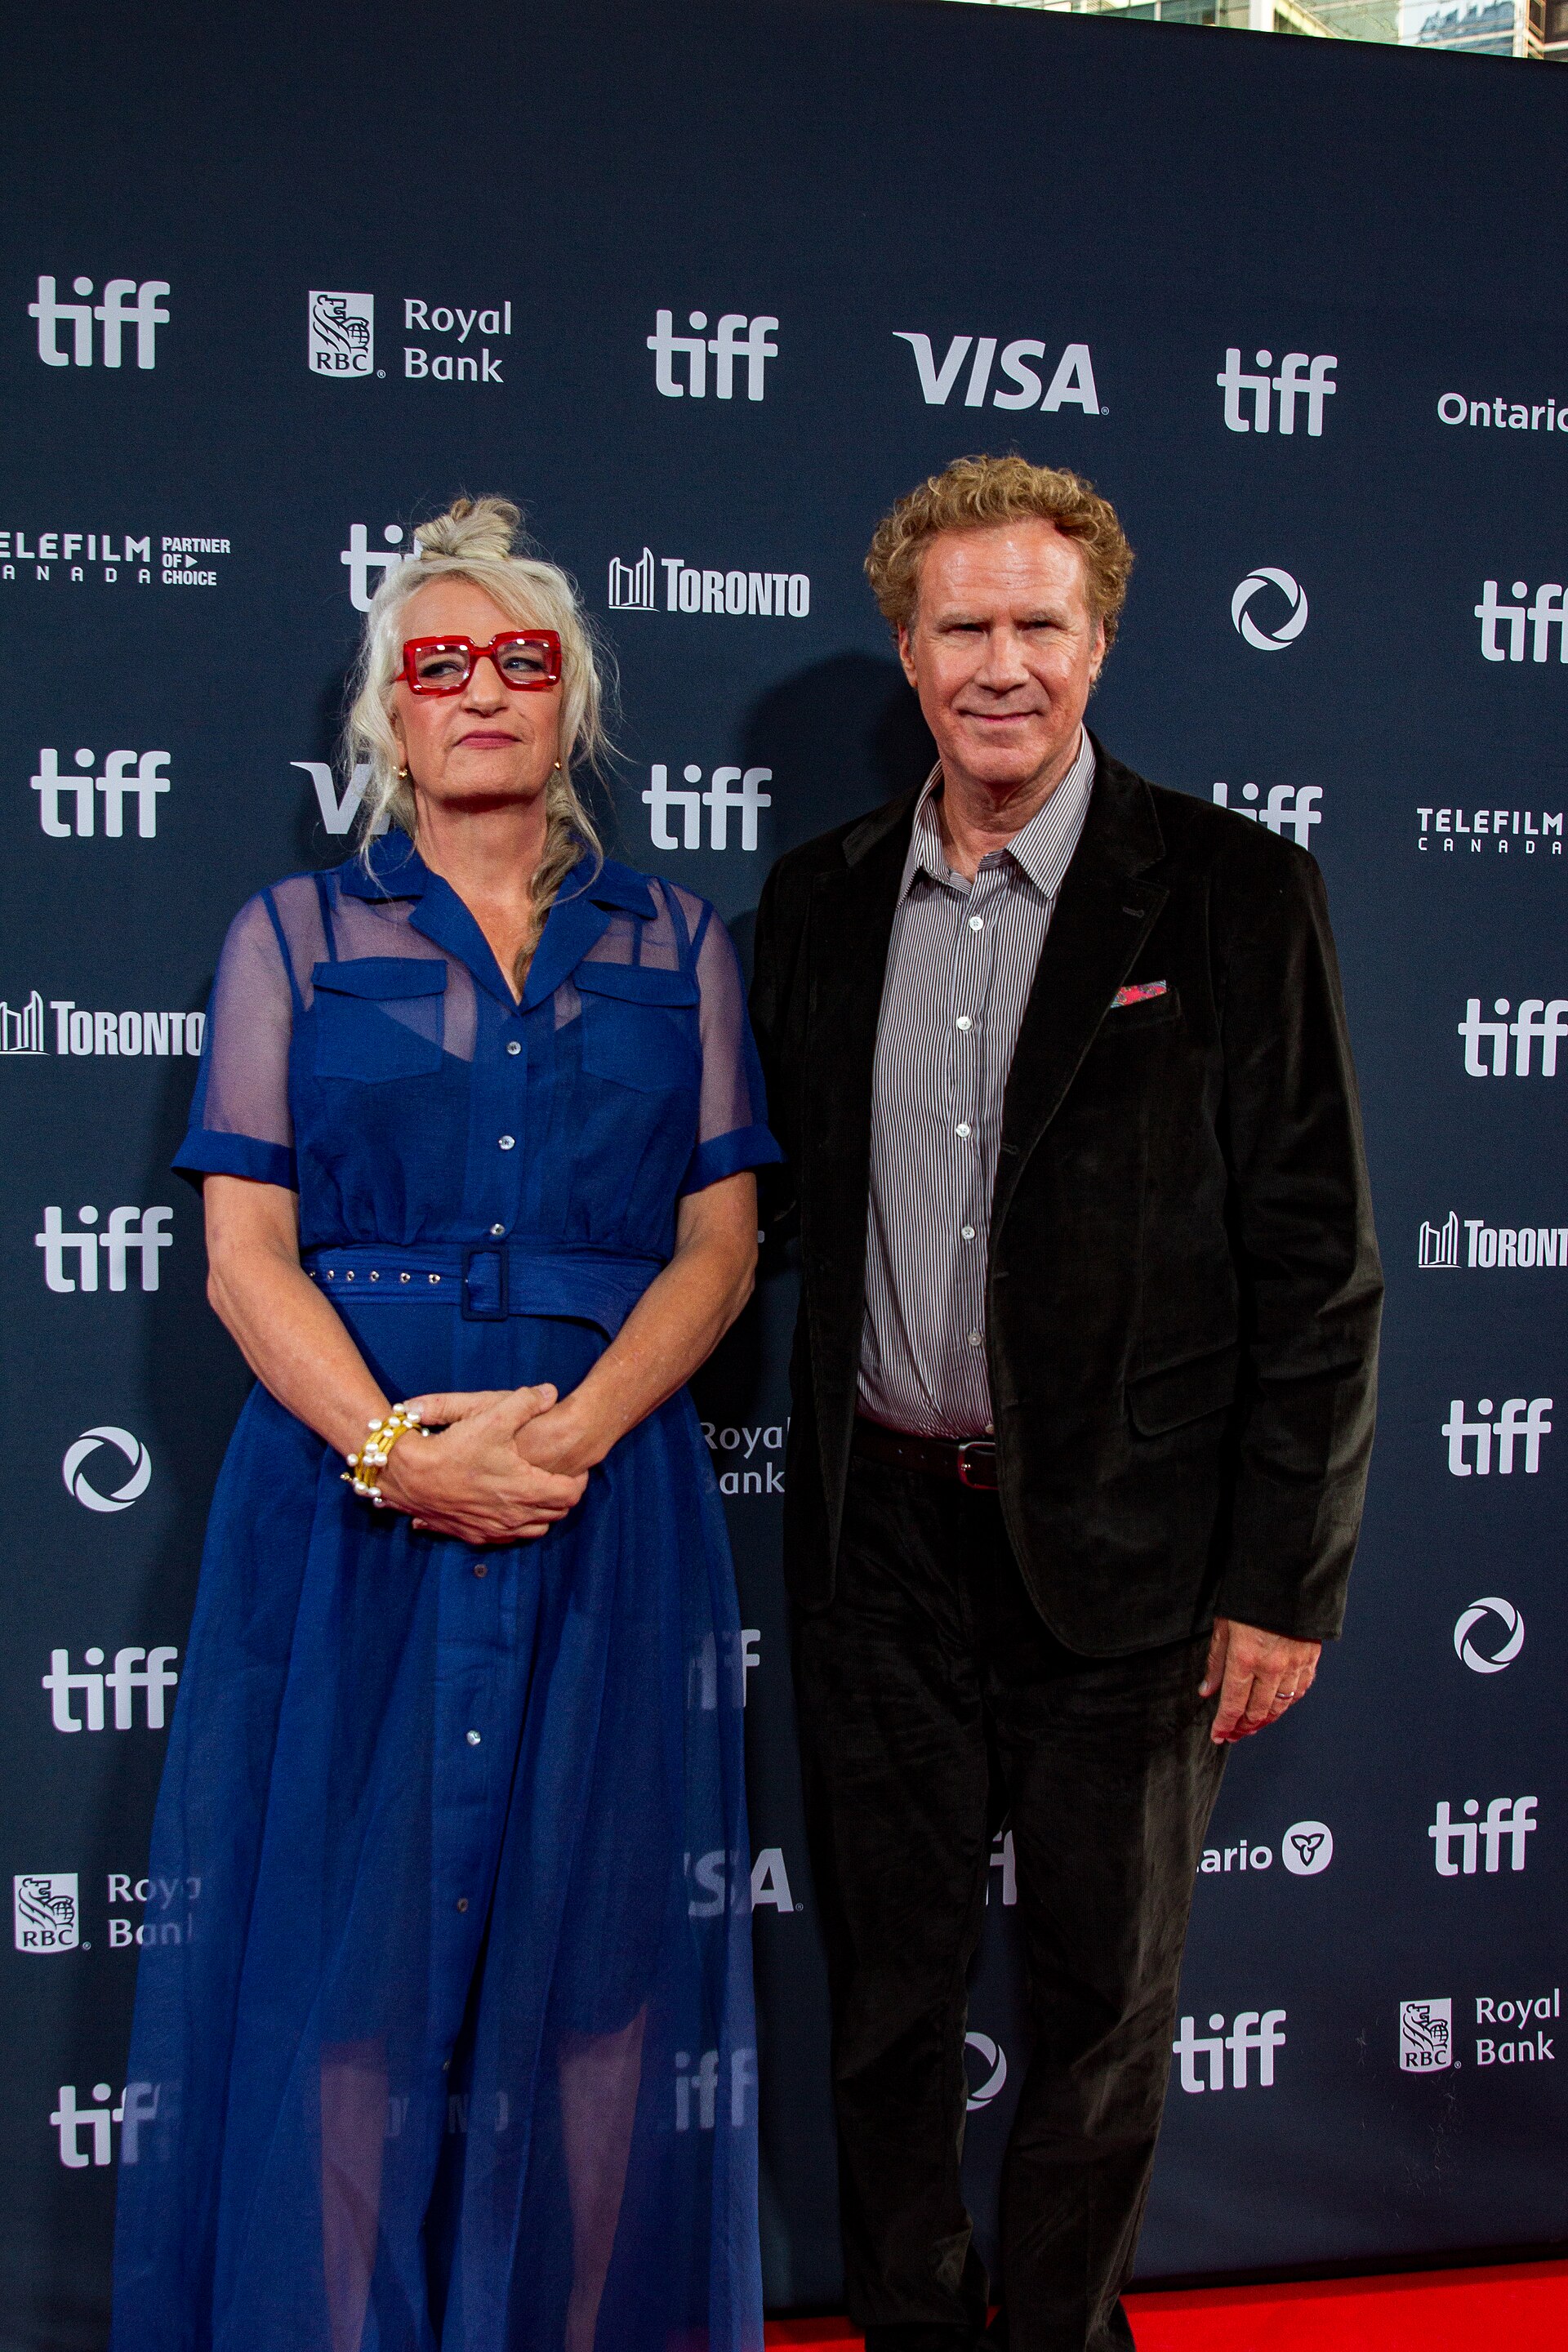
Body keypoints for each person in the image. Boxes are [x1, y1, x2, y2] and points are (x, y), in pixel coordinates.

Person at [112, 497, 776, 2352]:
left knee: (602, 1986)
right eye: (440, 663)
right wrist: (403, 1456)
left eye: (521, 659)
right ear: (389, 715)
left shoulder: (677, 941)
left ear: (573, 699)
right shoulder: (293, 935)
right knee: (350, 1985)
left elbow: (721, 1251)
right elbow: (245, 1258)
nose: (482, 689)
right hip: (347, 1518)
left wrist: (563, 1442)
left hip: (607, 1510)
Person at [750, 455, 1383, 2352]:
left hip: (1136, 1557)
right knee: (887, 2004)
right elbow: (754, 1209)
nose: (1002, 663)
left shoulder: (1236, 892)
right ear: (909, 649)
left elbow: (1318, 1263)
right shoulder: (821, 901)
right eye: (965, 626)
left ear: (1100, 642)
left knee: (1104, 2016)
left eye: (1041, 622)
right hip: (881, 1552)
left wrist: (1282, 1577)